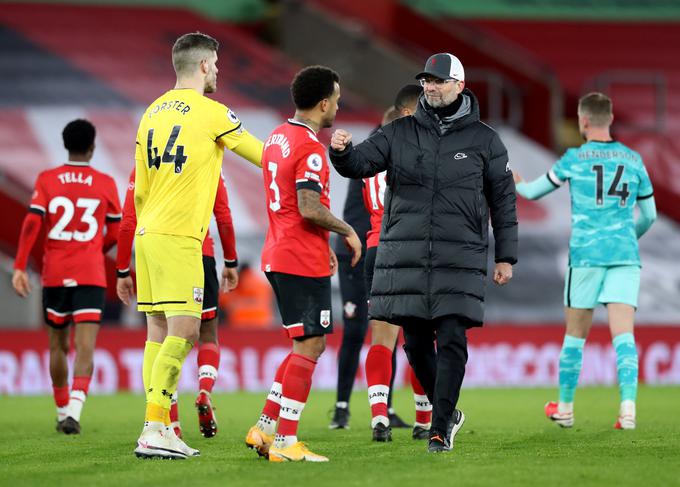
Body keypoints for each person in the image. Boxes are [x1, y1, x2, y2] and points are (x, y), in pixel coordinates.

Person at [329, 53, 518, 453]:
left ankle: (439, 428)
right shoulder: (398, 132)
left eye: (437, 81)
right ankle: (447, 414)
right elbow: (361, 163)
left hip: (460, 257)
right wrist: (343, 152)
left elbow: (503, 201)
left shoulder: (486, 140)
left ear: (459, 86)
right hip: (406, 255)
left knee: (451, 338)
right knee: (414, 345)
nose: (429, 87)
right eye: (426, 81)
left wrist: (506, 256)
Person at [132, 32, 264, 460]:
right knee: (186, 330)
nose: (219, 72)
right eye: (217, 65)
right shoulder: (213, 112)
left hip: (147, 234)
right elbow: (264, 156)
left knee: (157, 331)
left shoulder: (151, 112)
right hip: (179, 237)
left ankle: (159, 426)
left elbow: (139, 191)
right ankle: (155, 427)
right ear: (205, 66)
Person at [513, 92, 657, 430]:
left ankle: (565, 407)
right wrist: (624, 238)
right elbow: (649, 216)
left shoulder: (574, 159)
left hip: (586, 256)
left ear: (583, 121)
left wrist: (518, 184)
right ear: (609, 120)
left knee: (575, 335)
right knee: (624, 337)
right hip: (624, 257)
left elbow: (534, 193)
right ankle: (628, 410)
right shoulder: (634, 160)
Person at [245, 65, 362, 463]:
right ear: (324, 102)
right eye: (338, 101)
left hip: (279, 251)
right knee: (312, 345)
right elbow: (309, 207)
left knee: (300, 344)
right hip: (299, 258)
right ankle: (286, 442)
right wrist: (346, 230)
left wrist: (322, 241)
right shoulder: (311, 148)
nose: (338, 107)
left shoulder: (276, 137)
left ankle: (265, 427)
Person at [12, 119, 121, 435]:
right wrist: (93, 249)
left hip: (55, 273)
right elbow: (115, 231)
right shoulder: (105, 182)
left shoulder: (47, 179)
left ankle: (62, 412)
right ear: (92, 147)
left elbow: (32, 223)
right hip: (90, 273)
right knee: (85, 346)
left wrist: (20, 265)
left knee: (57, 344)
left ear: (65, 145)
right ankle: (74, 409)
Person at [116, 167, 238, 440]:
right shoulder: (209, 162)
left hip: (157, 256)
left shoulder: (144, 164)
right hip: (198, 253)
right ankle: (205, 390)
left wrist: (122, 268)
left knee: (160, 337)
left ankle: (168, 421)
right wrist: (231, 261)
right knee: (207, 336)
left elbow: (128, 220)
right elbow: (224, 216)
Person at [361, 85, 434, 442]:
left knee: (381, 339)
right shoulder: (412, 151)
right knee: (421, 338)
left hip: (377, 249)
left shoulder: (372, 158)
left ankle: (379, 417)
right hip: (411, 250)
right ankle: (424, 420)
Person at [330, 108, 408, 432]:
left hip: (373, 247)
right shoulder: (377, 154)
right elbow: (354, 210)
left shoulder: (376, 151)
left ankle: (383, 407)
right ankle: (342, 408)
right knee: (357, 331)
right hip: (357, 250)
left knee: (382, 328)